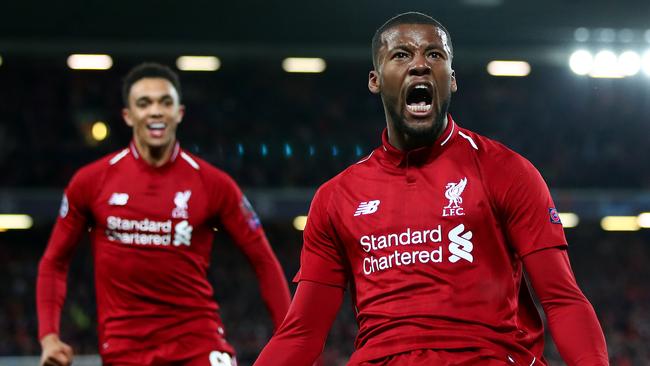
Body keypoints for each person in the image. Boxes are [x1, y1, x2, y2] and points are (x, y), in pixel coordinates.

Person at [254, 12, 608, 366]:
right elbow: (301, 334)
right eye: (401, 54)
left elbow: (562, 300)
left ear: (451, 80)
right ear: (375, 80)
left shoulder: (506, 171)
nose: (420, 65)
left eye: (434, 55)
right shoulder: (337, 197)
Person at [37, 62, 291, 366]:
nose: (156, 111)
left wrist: (292, 342)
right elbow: (54, 262)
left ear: (179, 113)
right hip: (125, 352)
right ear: (128, 116)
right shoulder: (91, 182)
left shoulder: (214, 184)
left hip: (198, 345)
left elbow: (263, 261)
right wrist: (49, 337)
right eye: (144, 103)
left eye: (165, 102)